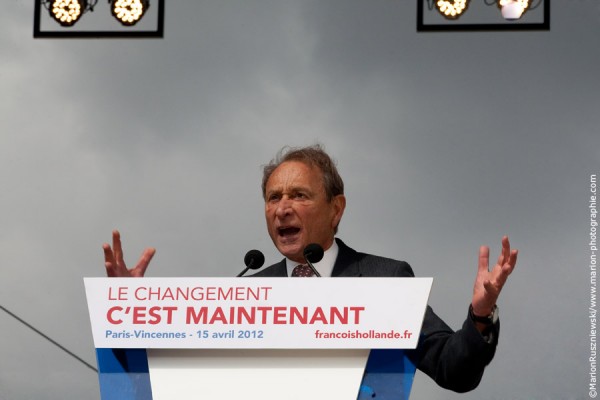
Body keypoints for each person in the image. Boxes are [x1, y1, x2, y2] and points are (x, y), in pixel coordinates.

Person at [103, 144, 517, 393]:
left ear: (335, 209)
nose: (282, 208)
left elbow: (454, 370)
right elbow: (166, 383)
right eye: (272, 197)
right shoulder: (245, 291)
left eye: (298, 195)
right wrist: (128, 319)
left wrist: (480, 315)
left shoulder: (382, 279)